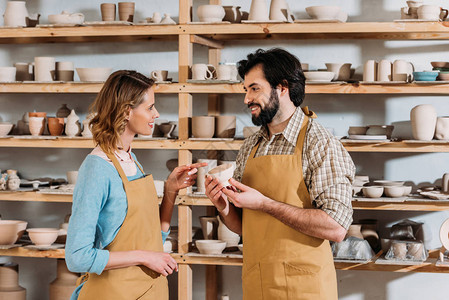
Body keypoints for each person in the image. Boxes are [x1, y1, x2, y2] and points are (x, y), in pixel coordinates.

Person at [205, 48, 355, 299]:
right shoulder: (251, 146)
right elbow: (244, 227)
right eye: (246, 90)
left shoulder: (319, 143)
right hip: (258, 285)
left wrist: (265, 204)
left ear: (282, 87)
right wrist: (223, 206)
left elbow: (336, 227)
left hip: (304, 289)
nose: (246, 99)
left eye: (255, 89)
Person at [66, 70, 206, 299]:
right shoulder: (97, 168)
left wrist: (170, 192)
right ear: (126, 111)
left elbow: (154, 240)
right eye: (150, 107)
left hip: (148, 290)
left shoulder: (131, 159)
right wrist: (144, 257)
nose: (156, 114)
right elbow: (77, 257)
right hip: (114, 293)